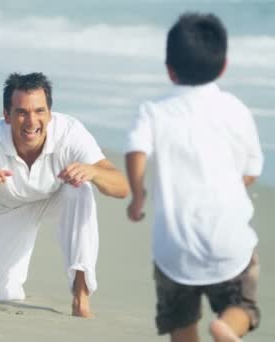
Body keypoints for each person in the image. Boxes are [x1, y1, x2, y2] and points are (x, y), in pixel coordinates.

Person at [0, 72, 129, 317]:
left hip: (57, 196)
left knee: (81, 189)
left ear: (50, 114)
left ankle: (80, 297)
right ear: (7, 115)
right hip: (6, 207)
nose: (31, 121)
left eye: (39, 111)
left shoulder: (70, 132)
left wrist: (93, 171)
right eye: (21, 112)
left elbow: (122, 187)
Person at [125, 13, 263, 341]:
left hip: (174, 246)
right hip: (228, 243)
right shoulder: (236, 110)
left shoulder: (153, 110)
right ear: (224, 65)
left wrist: (138, 195)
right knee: (244, 305)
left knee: (180, 322)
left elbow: (135, 152)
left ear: (170, 68)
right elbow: (252, 170)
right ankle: (227, 326)